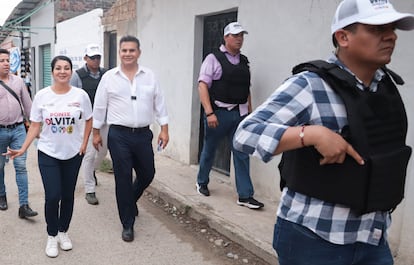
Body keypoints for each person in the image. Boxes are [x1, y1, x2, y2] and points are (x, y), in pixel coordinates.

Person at [233, 0, 414, 264]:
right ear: (343, 37)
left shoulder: (386, 88)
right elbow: (245, 133)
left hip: (372, 238)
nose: (390, 36)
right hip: (314, 238)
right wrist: (312, 134)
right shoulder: (311, 85)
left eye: (392, 28)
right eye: (377, 29)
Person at [5, 55, 92, 258]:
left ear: (71, 71)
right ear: (52, 72)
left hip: (73, 154)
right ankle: (52, 234)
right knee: (53, 196)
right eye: (58, 68)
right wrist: (23, 148)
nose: (63, 71)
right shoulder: (42, 96)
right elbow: (35, 125)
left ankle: (63, 232)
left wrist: (84, 142)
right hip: (48, 153)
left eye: (67, 68)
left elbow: (89, 120)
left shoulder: (80, 96)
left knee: (68, 196)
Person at [93, 35, 169, 242]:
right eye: (124, 50)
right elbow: (99, 106)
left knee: (148, 173)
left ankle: (129, 201)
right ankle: (127, 223)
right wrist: (96, 132)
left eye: (132, 50)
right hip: (119, 136)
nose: (128, 54)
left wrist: (164, 128)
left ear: (139, 52)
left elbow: (159, 103)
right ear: (120, 52)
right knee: (123, 178)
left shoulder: (149, 76)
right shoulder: (109, 77)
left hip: (143, 134)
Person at [196, 22, 263, 209]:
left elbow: (245, 89)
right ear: (226, 37)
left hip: (239, 114)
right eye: (235, 35)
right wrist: (209, 112)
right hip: (218, 113)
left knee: (241, 153)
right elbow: (202, 86)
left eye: (241, 35)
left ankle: (245, 195)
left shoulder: (244, 61)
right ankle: (202, 182)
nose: (239, 39)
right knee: (210, 149)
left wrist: (249, 113)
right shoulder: (213, 59)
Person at [0, 48, 38, 219]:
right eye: (2, 61)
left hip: (18, 129)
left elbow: (28, 105)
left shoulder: (19, 82)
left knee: (21, 166)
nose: (6, 63)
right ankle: (2, 194)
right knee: (0, 166)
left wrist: (35, 127)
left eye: (7, 60)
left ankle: (24, 205)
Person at [70, 43, 108, 205]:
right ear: (85, 58)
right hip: (87, 120)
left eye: (98, 57)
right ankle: (89, 189)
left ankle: (91, 172)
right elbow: (73, 97)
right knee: (90, 154)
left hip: (105, 120)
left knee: (102, 152)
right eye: (92, 57)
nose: (95, 60)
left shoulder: (107, 74)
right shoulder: (77, 75)